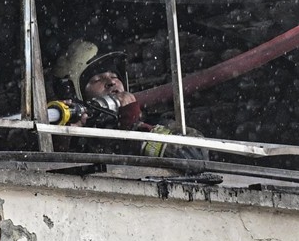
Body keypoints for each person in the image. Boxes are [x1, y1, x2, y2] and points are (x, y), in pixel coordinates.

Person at [49, 38, 206, 160]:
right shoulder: (77, 139)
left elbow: (194, 156)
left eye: (114, 76)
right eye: (97, 79)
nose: (111, 82)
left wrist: (135, 128)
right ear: (76, 94)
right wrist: (64, 139)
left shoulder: (157, 123)